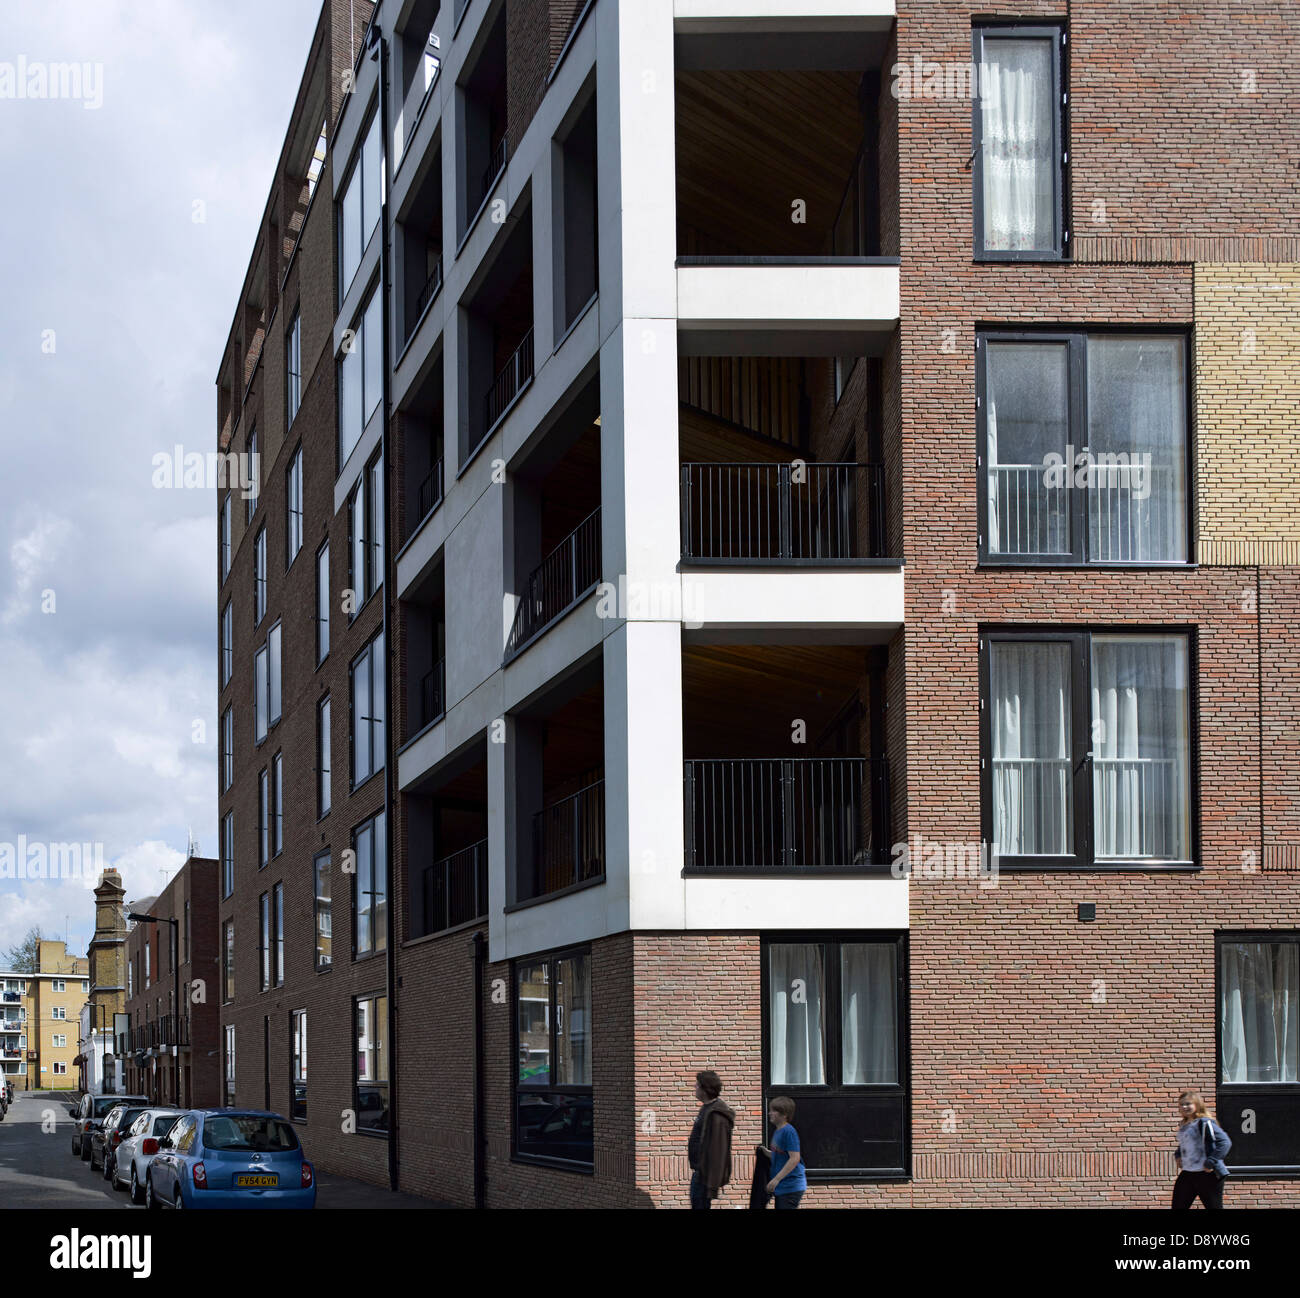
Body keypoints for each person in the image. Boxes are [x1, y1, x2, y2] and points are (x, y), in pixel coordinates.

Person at [1172, 1090, 1231, 1210]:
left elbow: (1225, 1142)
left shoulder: (1204, 1122)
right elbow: (1185, 1143)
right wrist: (1178, 1155)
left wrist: (1211, 1161)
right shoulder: (1184, 1124)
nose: (1184, 1107)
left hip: (1207, 1174)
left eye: (1188, 1104)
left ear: (1197, 1105)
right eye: (1181, 1104)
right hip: (1188, 1173)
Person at [687, 1070, 735, 1209]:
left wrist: (711, 1185)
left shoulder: (717, 1114)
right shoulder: (707, 1108)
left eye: (697, 1085)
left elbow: (718, 1150)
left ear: (705, 1088)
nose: (694, 1088)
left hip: (705, 1175)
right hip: (700, 1171)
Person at [763, 1095, 807, 1208]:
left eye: (774, 1111)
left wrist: (776, 1180)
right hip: (782, 1186)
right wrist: (765, 1152)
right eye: (770, 1110)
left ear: (784, 1114)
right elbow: (780, 1155)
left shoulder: (789, 1132)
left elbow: (794, 1158)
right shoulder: (778, 1131)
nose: (770, 1113)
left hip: (791, 1186)